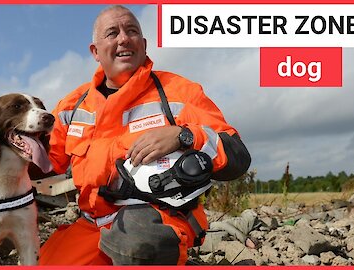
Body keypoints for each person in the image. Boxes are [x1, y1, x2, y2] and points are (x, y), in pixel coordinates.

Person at [37, 5, 251, 265]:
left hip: (161, 219)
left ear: (144, 43)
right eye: (112, 33)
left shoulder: (179, 92)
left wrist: (184, 136)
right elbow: (43, 167)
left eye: (132, 31)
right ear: (95, 51)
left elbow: (237, 156)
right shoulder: (71, 107)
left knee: (137, 247)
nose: (124, 38)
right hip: (93, 225)